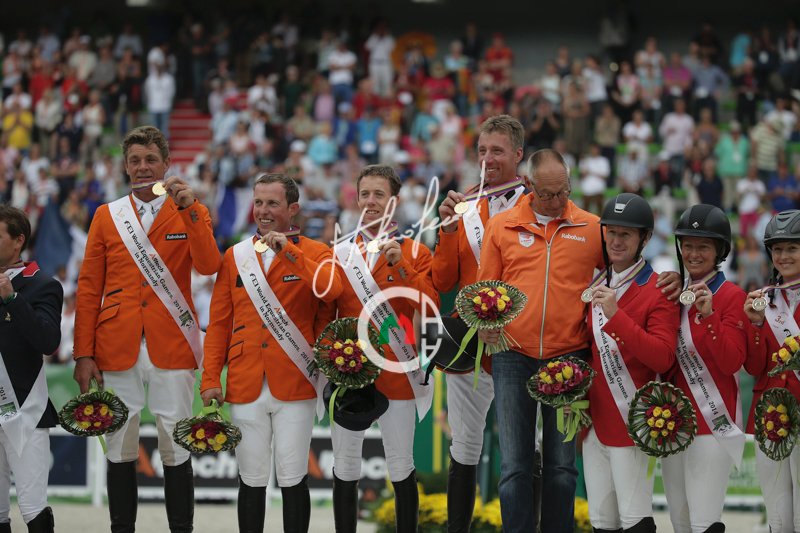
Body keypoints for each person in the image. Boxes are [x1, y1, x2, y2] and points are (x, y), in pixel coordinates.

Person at [477, 152, 681, 532]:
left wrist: (672, 278)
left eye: (564, 191)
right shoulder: (501, 225)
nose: (557, 201)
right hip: (512, 354)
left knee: (561, 466)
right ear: (529, 185)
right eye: (548, 194)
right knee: (514, 465)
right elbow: (485, 290)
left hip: (568, 357)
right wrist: (484, 326)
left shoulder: (591, 227)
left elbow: (627, 266)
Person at [72, 126, 222, 532]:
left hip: (172, 341)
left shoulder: (190, 209)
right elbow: (89, 287)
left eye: (150, 159)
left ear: (166, 164)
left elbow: (209, 265)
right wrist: (83, 353)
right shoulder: (107, 215)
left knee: (177, 443)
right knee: (120, 444)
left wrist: (191, 210)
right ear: (125, 166)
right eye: (135, 160)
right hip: (115, 344)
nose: (142, 167)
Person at [200, 173, 343, 533]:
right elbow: (219, 324)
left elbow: (331, 290)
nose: (263, 211)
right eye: (259, 202)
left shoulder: (316, 252)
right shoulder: (235, 256)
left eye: (272, 203)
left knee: (293, 476)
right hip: (245, 380)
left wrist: (288, 252)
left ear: (293, 209)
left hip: (295, 379)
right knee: (251, 478)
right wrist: (210, 378)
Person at [432, 114, 528, 532]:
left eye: (497, 151)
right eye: (482, 150)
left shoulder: (537, 204)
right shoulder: (464, 205)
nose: (488, 159)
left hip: (521, 343)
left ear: (518, 154)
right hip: (469, 345)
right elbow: (442, 280)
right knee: (464, 446)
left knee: (523, 451)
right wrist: (447, 228)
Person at [329, 164, 438, 533]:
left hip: (396, 371)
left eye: (379, 194)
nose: (371, 201)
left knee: (401, 465)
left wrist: (400, 265)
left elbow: (429, 306)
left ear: (395, 201)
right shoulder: (340, 253)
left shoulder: (416, 252)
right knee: (345, 466)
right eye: (365, 194)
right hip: (350, 373)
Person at [584, 193, 679, 533]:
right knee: (602, 522)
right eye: (611, 232)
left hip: (633, 419)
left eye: (626, 234)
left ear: (645, 238)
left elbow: (662, 356)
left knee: (635, 520)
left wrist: (616, 316)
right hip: (593, 421)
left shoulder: (659, 290)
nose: (616, 241)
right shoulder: (594, 283)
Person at [661, 204, 747, 533]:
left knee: (704, 523)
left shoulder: (732, 296)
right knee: (680, 522)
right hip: (672, 421)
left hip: (713, 422)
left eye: (703, 246)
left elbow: (731, 362)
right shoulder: (673, 292)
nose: (694, 254)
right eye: (688, 245)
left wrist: (709, 317)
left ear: (720, 251)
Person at [0, 205, 62, 533]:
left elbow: (48, 341)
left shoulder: (42, 285)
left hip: (25, 411)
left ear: (18, 241)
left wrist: (13, 300)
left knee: (33, 509)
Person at [743, 210, 800, 533]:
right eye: (777, 249)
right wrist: (754, 325)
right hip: (770, 419)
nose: (783, 256)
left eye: (792, 248)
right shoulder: (764, 300)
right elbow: (754, 367)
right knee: (778, 518)